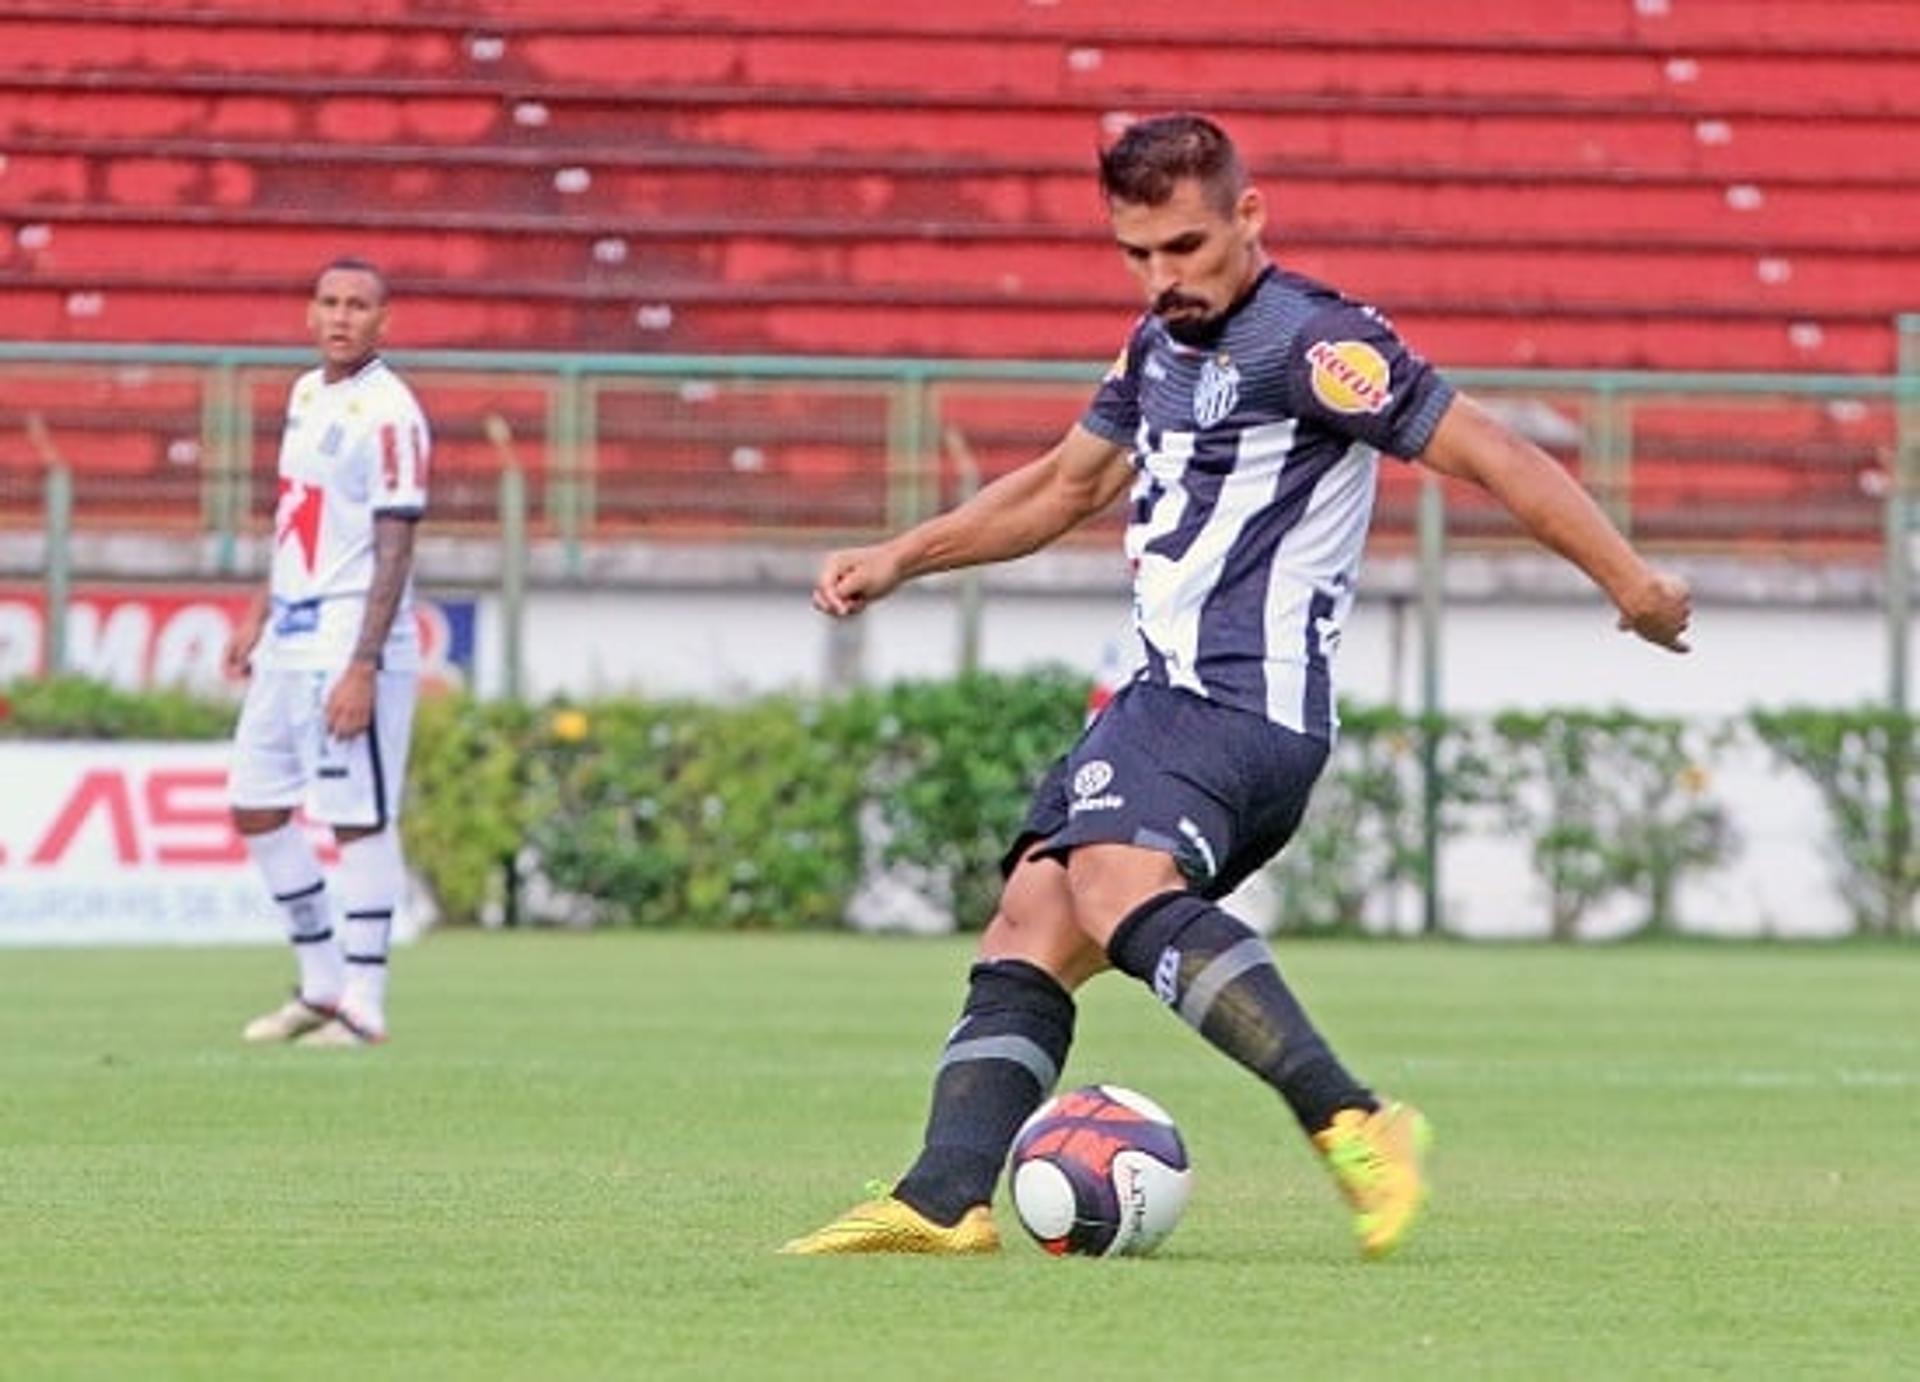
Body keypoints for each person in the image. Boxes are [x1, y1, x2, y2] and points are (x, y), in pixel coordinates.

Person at [782, 114, 1690, 1258]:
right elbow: (1064, 488)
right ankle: (944, 1192)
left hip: (1234, 703)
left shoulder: (1312, 341)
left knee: (1110, 879)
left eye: (1187, 248)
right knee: (1032, 916)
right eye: (1139, 254)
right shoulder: (1157, 347)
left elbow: (1492, 452)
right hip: (1168, 699)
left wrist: (1633, 583)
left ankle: (1355, 1118)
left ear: (1249, 217)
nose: (1165, 277)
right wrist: (901, 555)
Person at [225, 256, 432, 1048]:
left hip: (350, 635)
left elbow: (394, 546)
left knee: (356, 818)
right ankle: (318, 984)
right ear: (309, 313)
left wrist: (364, 663)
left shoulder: (392, 414)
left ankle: (364, 1004)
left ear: (385, 321)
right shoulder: (306, 393)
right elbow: (294, 516)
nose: (342, 316)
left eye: (359, 305)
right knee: (256, 803)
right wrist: (258, 611)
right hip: (291, 631)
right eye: (329, 302)